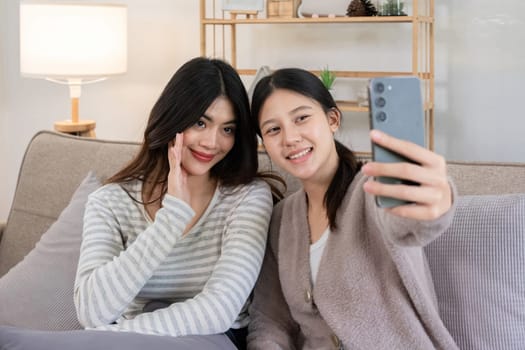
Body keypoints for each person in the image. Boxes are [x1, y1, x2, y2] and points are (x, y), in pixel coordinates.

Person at [0, 57, 277, 350]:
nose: (212, 142)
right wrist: (170, 221)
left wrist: (114, 335)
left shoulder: (247, 197)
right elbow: (92, 312)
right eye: (200, 122)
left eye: (228, 129)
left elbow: (219, 310)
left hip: (210, 339)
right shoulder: (110, 201)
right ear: (173, 118)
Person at [246, 68, 459, 349]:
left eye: (302, 118)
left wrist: (437, 199)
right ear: (264, 143)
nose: (290, 137)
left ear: (332, 119)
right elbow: (270, 320)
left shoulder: (372, 190)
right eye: (273, 129)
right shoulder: (281, 220)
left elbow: (409, 225)